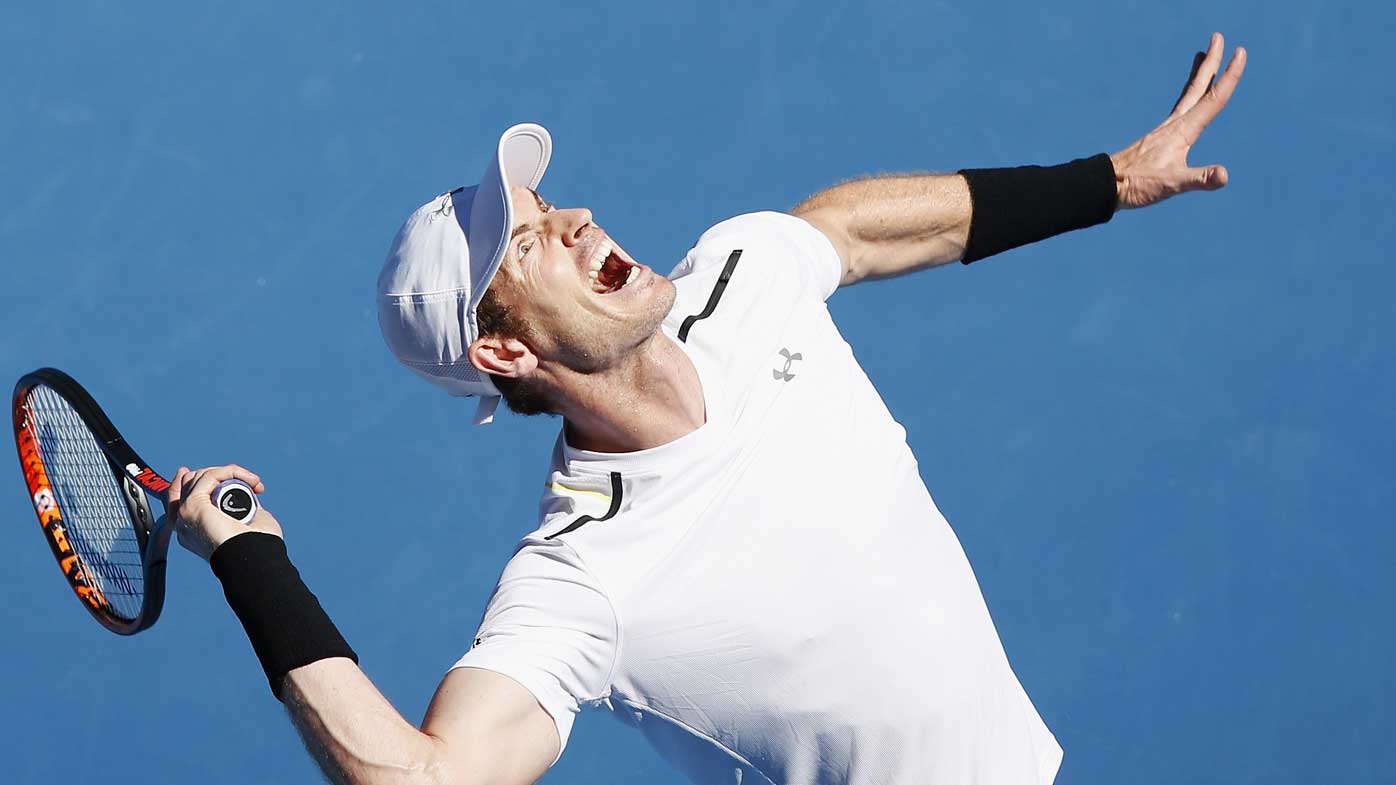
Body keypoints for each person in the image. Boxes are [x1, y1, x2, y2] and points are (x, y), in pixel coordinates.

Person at [169, 33, 1246, 785]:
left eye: (552, 205)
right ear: (505, 347)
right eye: (535, 240)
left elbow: (852, 228)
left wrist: (1109, 179)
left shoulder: (743, 275)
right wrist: (253, 560)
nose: (579, 216)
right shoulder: (582, 580)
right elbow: (428, 771)